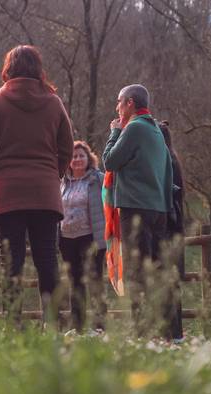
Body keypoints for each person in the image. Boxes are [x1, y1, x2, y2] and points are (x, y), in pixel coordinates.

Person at [0, 45, 74, 326]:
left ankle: (13, 325)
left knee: (12, 263)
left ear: (8, 68)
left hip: (7, 193)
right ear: (38, 68)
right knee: (47, 262)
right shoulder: (53, 103)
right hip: (44, 192)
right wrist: (52, 174)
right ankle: (53, 325)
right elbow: (67, 146)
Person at [102, 84, 173, 337]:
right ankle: (161, 329)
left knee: (136, 270)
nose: (117, 107)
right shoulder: (155, 130)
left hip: (136, 208)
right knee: (155, 269)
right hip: (159, 209)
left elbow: (110, 161)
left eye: (119, 101)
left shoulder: (133, 128)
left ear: (130, 103)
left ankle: (141, 332)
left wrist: (114, 132)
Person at [59, 141, 107, 332]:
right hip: (66, 238)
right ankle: (78, 327)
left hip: (91, 237)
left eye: (81, 156)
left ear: (89, 159)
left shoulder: (98, 179)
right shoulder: (62, 182)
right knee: (75, 282)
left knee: (95, 281)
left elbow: (109, 206)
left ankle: (100, 327)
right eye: (73, 156)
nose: (77, 159)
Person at [159, 121, 185, 341]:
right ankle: (176, 332)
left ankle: (172, 332)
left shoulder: (165, 160)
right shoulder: (173, 158)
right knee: (172, 280)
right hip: (175, 225)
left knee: (166, 279)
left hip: (167, 224)